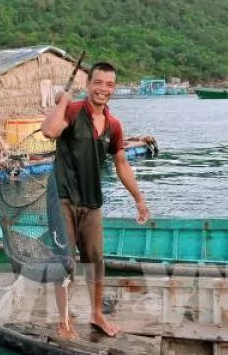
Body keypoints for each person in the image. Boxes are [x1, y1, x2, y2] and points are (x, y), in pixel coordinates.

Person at [41, 61, 149, 339]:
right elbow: (50, 131)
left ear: (114, 88)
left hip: (91, 202)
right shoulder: (74, 111)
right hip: (62, 198)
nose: (103, 89)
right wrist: (63, 102)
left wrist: (138, 198)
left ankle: (97, 314)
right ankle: (63, 322)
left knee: (96, 259)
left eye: (109, 84)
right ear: (88, 84)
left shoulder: (114, 125)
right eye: (98, 82)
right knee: (65, 261)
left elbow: (122, 163)